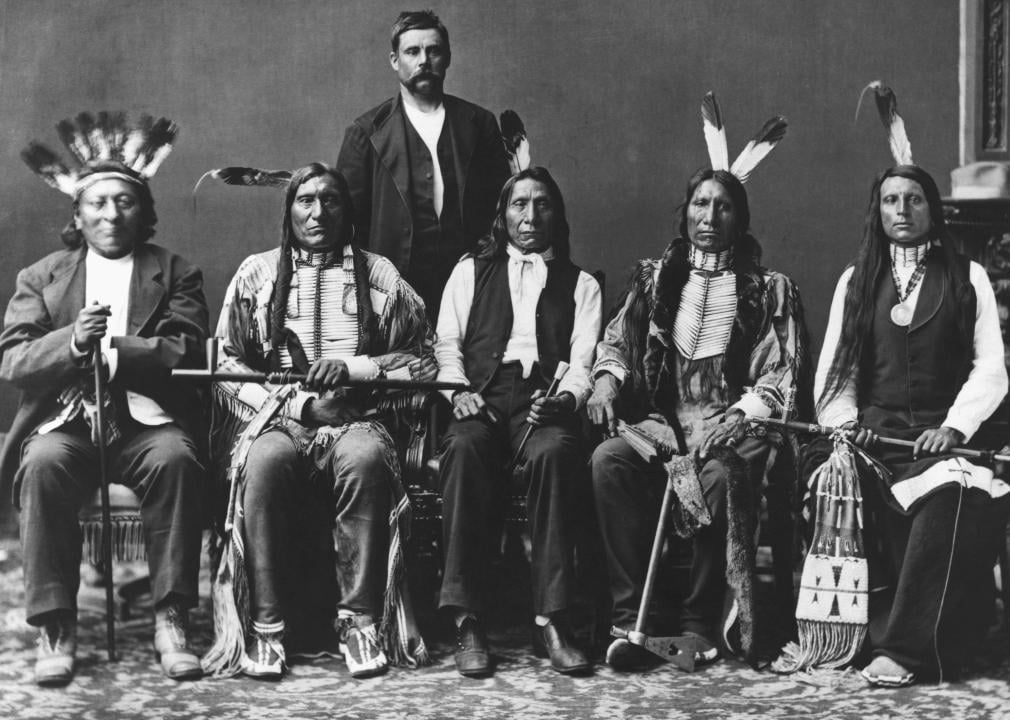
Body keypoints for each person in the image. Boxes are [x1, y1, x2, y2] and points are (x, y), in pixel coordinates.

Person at [587, 98, 807, 670]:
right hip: (662, 425)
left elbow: (780, 372)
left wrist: (744, 410)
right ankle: (630, 615)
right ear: (684, 211)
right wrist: (608, 382)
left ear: (741, 217)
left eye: (724, 206)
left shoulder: (768, 289)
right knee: (610, 459)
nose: (709, 216)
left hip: (732, 426)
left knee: (720, 472)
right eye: (700, 203)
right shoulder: (653, 280)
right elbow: (617, 343)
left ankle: (696, 623)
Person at [202, 163, 434, 681]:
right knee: (262, 463)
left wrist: (357, 369)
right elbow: (227, 364)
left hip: (358, 418)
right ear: (289, 212)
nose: (318, 211)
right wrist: (299, 407)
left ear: (347, 212)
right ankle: (265, 625)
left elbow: (422, 356)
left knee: (367, 457)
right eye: (305, 200)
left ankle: (361, 622)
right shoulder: (256, 274)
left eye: (331, 200)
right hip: (279, 418)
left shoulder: (380, 277)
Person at [1, 114, 209, 686]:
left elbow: (187, 350)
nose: (111, 214)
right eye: (98, 203)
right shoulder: (41, 277)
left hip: (146, 422)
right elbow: (14, 360)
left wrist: (114, 350)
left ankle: (172, 617)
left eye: (124, 202)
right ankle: (56, 625)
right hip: (67, 423)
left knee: (177, 460)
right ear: (77, 214)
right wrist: (70, 342)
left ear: (143, 212)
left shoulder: (175, 273)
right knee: (41, 464)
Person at [813, 163, 1009, 686]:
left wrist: (955, 428)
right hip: (879, 444)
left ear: (933, 208)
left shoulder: (969, 277)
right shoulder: (856, 280)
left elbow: (991, 368)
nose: (903, 210)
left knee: (955, 497)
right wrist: (846, 425)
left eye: (915, 199)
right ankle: (903, 641)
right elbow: (837, 372)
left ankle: (906, 650)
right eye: (891, 201)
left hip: (947, 446)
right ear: (877, 212)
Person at [434, 166, 602, 677]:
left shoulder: (583, 284)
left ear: (558, 214)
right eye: (519, 204)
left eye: (542, 204)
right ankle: (467, 619)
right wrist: (457, 391)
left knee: (554, 453)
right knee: (462, 451)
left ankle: (551, 618)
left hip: (543, 401)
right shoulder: (471, 270)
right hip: (481, 394)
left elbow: (583, 362)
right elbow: (446, 343)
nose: (530, 216)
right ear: (503, 214)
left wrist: (567, 401)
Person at [337, 9, 511, 317]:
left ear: (447, 57)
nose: (423, 60)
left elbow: (500, 207)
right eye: (412, 51)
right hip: (391, 288)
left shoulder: (480, 124)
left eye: (433, 51)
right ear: (395, 60)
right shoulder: (365, 132)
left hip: (468, 281)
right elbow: (347, 225)